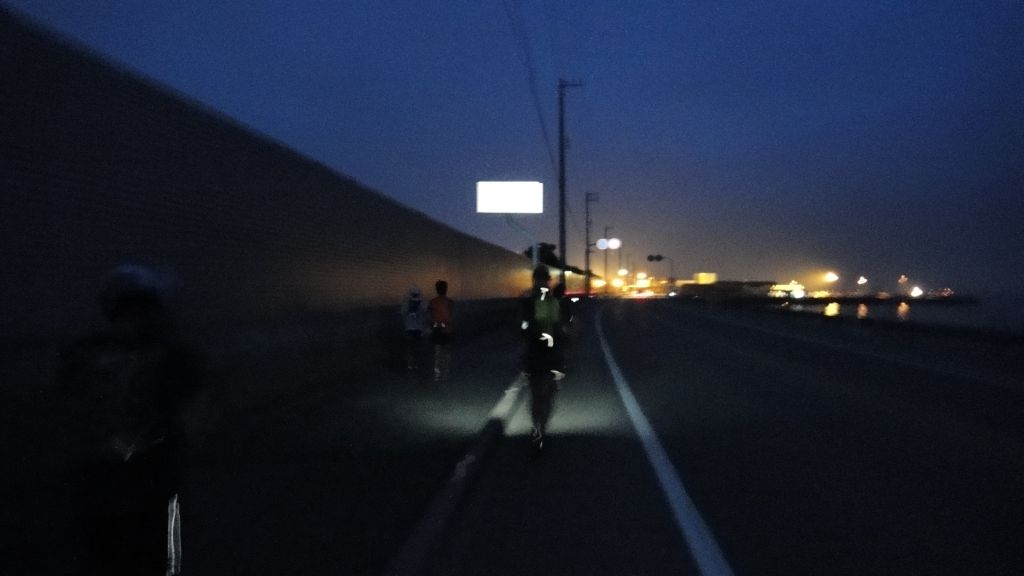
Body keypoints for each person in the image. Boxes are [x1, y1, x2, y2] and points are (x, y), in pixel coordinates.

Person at [57, 265, 199, 575]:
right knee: (156, 552)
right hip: (152, 470)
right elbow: (191, 411)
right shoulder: (169, 354)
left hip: (97, 471)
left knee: (101, 552)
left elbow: (68, 404)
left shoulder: (82, 352)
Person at [520, 265, 566, 453]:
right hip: (551, 354)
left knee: (535, 394)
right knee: (547, 393)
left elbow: (520, 326)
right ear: (548, 280)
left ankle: (537, 429)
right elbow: (559, 328)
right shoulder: (553, 301)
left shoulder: (527, 299)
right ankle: (542, 429)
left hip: (533, 353)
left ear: (533, 279)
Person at [428, 279, 453, 381]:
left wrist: (433, 326)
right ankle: (445, 375)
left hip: (437, 330)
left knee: (437, 354)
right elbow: (451, 316)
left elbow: (430, 317)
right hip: (447, 330)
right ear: (445, 289)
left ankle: (437, 375)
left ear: (437, 289)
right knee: (446, 353)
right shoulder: (450, 302)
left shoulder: (432, 302)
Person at [401, 286, 425, 371]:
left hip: (412, 329)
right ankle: (413, 364)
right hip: (415, 329)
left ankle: (412, 365)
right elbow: (422, 317)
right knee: (414, 348)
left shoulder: (409, 304)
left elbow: (403, 314)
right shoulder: (418, 305)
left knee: (412, 348)